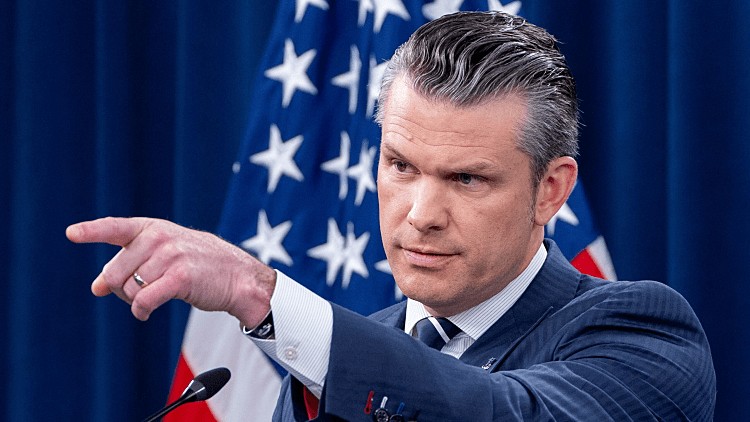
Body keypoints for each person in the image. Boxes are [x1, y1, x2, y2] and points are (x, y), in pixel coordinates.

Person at [67, 11, 715, 421]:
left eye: (467, 178)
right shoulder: (334, 358)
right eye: (401, 166)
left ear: (550, 189)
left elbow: (505, 411)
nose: (422, 214)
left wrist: (259, 293)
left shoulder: (640, 334)